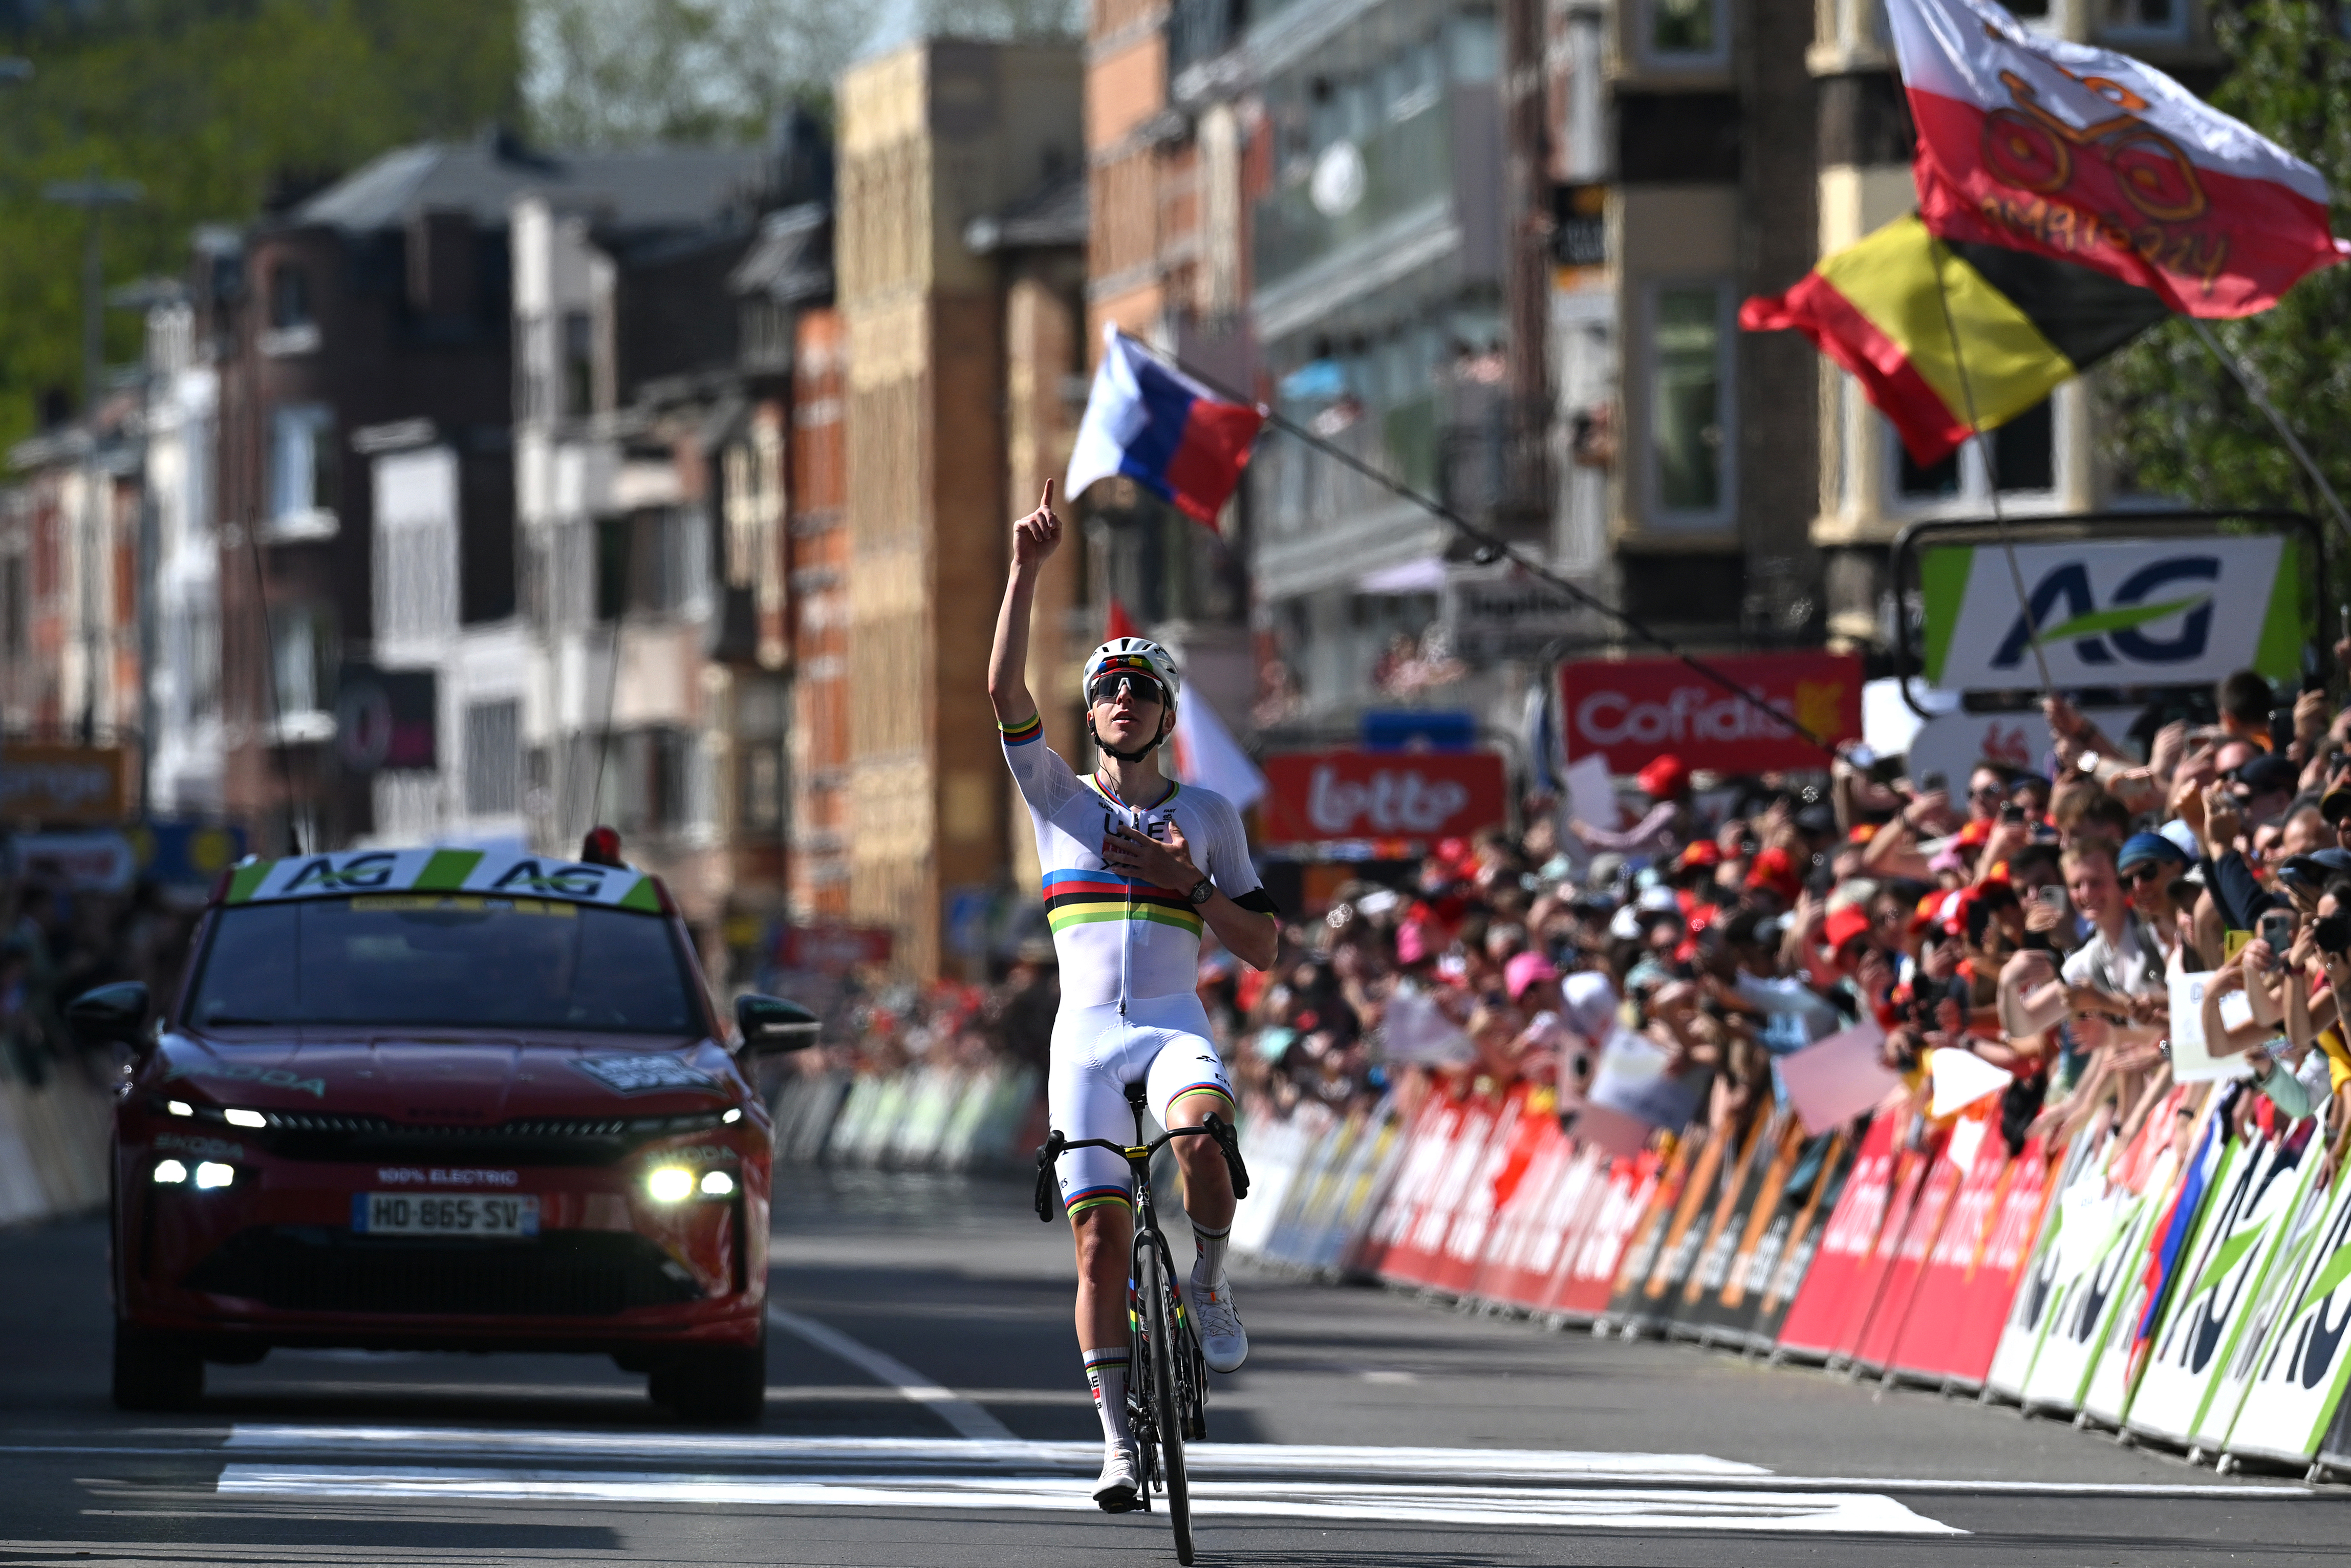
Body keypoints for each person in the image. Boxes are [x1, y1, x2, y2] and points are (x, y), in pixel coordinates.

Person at [987, 480, 1282, 1513]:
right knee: (1098, 1241)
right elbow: (1001, 694)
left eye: (1139, 691)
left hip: (1166, 1028)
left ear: (1162, 714)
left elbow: (1265, 948)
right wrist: (1025, 570)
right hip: (1081, 1044)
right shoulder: (1057, 800)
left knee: (1203, 1142)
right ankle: (1116, 1443)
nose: (1121, 702)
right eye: (1106, 689)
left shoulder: (1204, 814)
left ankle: (1206, 1274)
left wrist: (1187, 885)